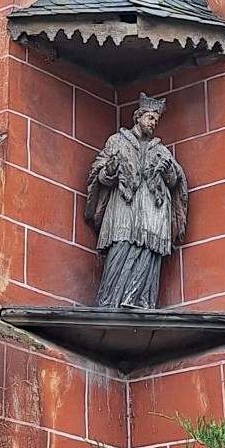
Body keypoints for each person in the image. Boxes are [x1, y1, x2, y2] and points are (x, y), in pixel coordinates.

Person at [84, 93, 188, 309]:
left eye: (156, 121)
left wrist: (170, 174)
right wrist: (110, 170)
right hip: (125, 204)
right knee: (121, 246)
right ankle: (110, 300)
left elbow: (176, 181)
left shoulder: (161, 150)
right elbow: (99, 174)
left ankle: (141, 301)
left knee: (149, 251)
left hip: (154, 208)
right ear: (138, 116)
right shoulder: (117, 141)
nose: (153, 124)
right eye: (150, 118)